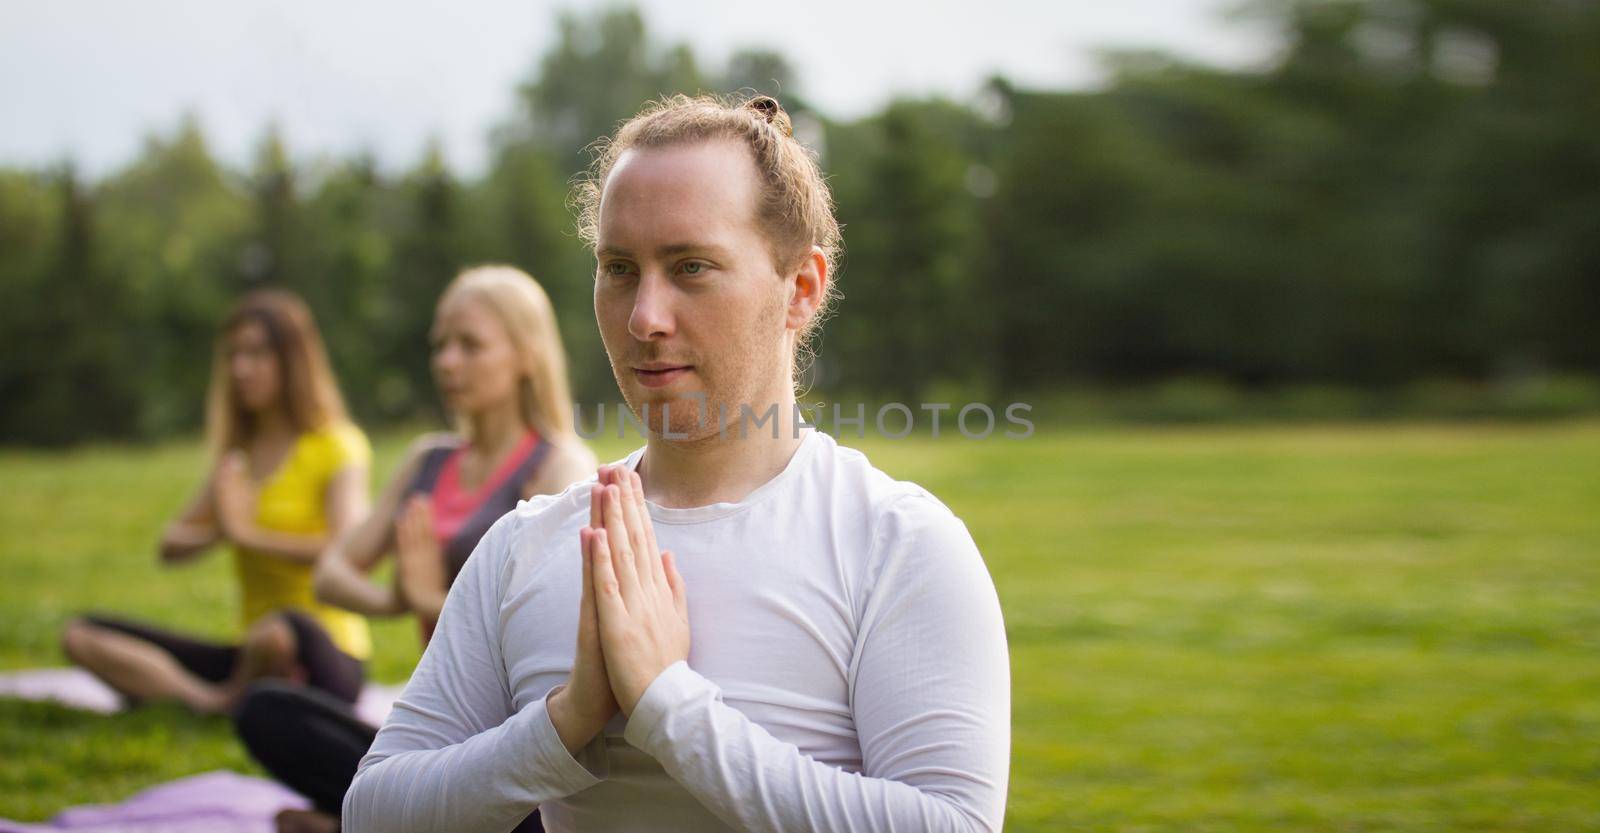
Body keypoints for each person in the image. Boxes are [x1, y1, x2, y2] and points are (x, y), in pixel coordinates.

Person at [343, 94, 1011, 833]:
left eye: (691, 266)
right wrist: (563, 725)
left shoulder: (896, 542)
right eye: (620, 268)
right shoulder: (524, 546)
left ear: (802, 289)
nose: (643, 317)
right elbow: (373, 810)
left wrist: (668, 705)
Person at [235, 266, 595, 833]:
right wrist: (400, 600)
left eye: (469, 345)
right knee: (266, 710)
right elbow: (332, 572)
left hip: (521, 739)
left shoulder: (559, 466)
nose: (447, 361)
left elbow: (558, 629)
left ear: (527, 354)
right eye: (441, 345)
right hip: (446, 733)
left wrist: (437, 599)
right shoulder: (429, 460)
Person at [60, 289, 373, 715]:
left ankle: (221, 696)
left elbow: (346, 550)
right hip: (250, 654)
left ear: (293, 361)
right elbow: (170, 544)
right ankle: (214, 700)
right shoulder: (239, 457)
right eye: (234, 355)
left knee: (277, 635)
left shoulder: (337, 445)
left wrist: (248, 534)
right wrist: (221, 531)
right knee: (81, 635)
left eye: (257, 354)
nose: (240, 369)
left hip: (325, 652)